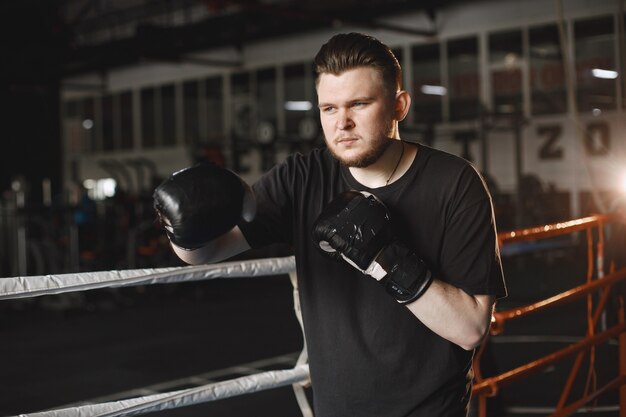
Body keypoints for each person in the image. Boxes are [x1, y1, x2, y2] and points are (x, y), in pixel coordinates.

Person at [153, 32, 507, 416]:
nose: (343, 123)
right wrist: (184, 225)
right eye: (329, 109)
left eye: (359, 104)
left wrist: (382, 258)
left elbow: (471, 328)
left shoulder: (454, 184)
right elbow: (206, 253)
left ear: (399, 106)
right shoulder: (302, 178)